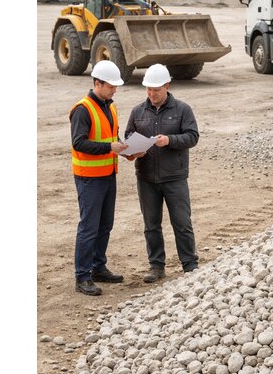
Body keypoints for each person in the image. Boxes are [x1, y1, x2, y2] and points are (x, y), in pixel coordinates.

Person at [125, 64, 200, 282]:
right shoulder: (138, 111)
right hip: (146, 178)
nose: (151, 93)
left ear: (167, 86)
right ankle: (156, 266)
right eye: (148, 89)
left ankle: (190, 265)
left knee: (182, 222)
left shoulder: (182, 110)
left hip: (174, 177)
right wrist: (133, 150)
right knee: (151, 225)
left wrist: (169, 140)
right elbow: (129, 134)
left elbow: (192, 136)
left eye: (155, 89)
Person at [70, 60, 128, 296]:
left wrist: (126, 150)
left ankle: (98, 267)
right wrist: (109, 147)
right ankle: (82, 276)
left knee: (105, 224)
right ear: (97, 83)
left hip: (107, 175)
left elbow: (111, 138)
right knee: (89, 227)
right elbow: (79, 142)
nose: (114, 89)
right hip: (89, 178)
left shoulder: (110, 106)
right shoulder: (82, 109)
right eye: (111, 86)